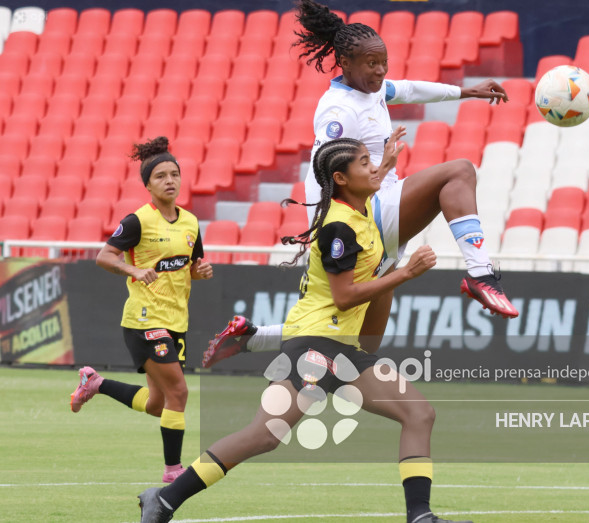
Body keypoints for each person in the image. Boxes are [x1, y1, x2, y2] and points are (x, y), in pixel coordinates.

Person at [138, 133, 472, 523]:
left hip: (342, 349)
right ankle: (163, 501)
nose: (374, 167)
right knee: (264, 435)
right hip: (315, 346)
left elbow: (370, 193)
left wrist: (387, 165)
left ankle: (420, 516)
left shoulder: (360, 215)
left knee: (419, 414)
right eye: (364, 163)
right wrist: (406, 273)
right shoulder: (339, 227)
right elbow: (345, 296)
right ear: (341, 178)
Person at [202, 0, 518, 368]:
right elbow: (322, 169)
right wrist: (329, 230)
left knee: (361, 349)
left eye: (384, 62)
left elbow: (411, 90)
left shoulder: (373, 89)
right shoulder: (340, 111)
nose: (381, 70)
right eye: (372, 63)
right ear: (346, 63)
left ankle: (252, 338)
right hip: (362, 214)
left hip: (374, 221)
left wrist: (467, 92)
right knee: (460, 171)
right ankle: (481, 273)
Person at [69, 136, 213, 484]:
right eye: (161, 175)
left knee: (157, 404)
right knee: (179, 393)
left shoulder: (191, 222)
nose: (170, 181)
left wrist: (199, 271)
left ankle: (95, 383)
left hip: (176, 320)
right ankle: (173, 471)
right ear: (147, 185)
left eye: (174, 174)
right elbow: (104, 256)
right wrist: (133, 270)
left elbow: (191, 265)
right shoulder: (138, 221)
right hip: (144, 319)